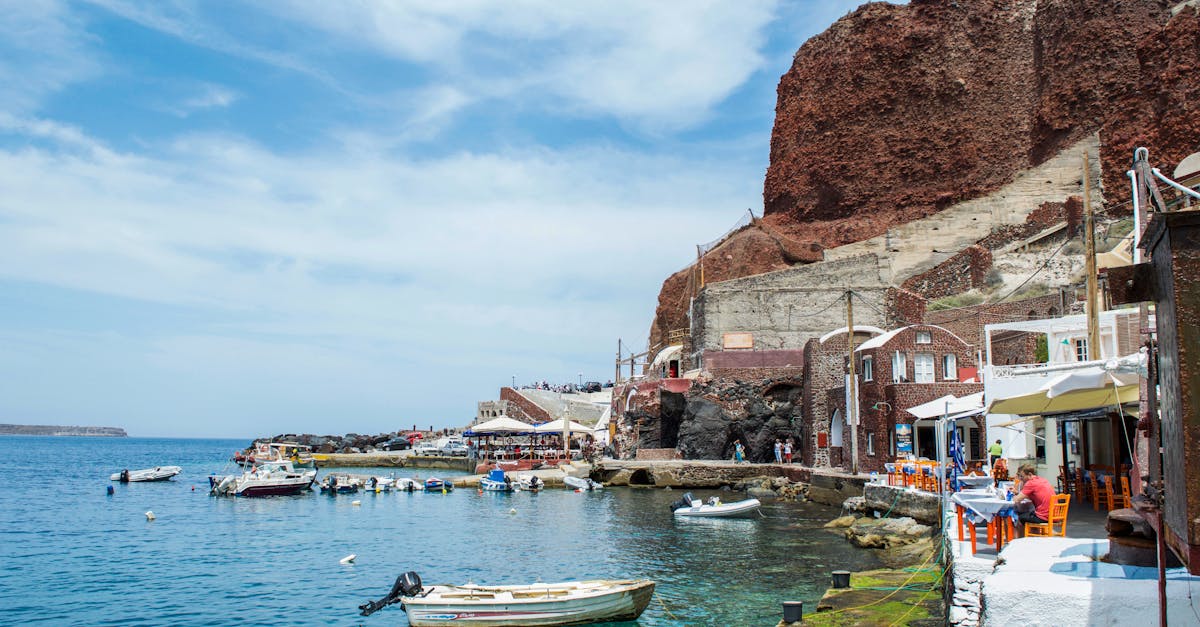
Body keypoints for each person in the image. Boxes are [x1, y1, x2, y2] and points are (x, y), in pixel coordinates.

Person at [1012, 463, 1054, 537]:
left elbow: (1016, 499)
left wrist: (1014, 495)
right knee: (1030, 515)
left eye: (1022, 476)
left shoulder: (1030, 483)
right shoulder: (1042, 480)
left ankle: (1020, 543)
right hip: (1053, 514)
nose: (1021, 479)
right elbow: (1033, 495)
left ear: (1030, 475)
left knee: (1020, 519)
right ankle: (1034, 539)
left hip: (1043, 516)